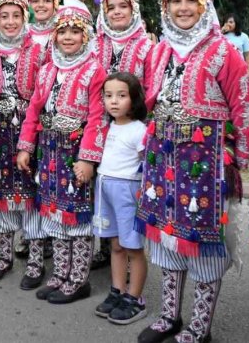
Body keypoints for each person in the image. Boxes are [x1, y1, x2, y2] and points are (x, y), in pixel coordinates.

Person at [136, 0, 249, 343]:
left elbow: (245, 107)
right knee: (165, 238)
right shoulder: (158, 51)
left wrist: (239, 158)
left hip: (205, 161)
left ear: (205, 6)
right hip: (162, 157)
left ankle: (199, 326)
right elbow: (149, 100)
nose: (183, 8)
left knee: (203, 241)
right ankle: (169, 316)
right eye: (176, 1)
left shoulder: (224, 52)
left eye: (192, 1)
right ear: (166, 7)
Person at [17, 6, 108, 304]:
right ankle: (60, 274)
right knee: (53, 211)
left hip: (74, 152)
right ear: (54, 36)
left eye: (75, 31)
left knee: (77, 214)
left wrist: (88, 158)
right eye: (63, 32)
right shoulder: (47, 70)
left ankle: (79, 278)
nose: (68, 37)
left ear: (86, 35)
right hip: (50, 150)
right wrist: (26, 147)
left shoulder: (95, 70)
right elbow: (34, 110)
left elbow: (98, 117)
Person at [0, 0, 45, 288]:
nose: (11, 21)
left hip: (29, 133)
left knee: (30, 196)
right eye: (5, 16)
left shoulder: (40, 52)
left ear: (24, 18)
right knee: (0, 194)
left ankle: (36, 260)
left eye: (16, 15)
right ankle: (4, 255)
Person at [92, 0, 153, 272]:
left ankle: (130, 261)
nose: (116, 12)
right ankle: (107, 250)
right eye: (111, 7)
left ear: (134, 10)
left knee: (127, 190)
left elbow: (151, 88)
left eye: (122, 6)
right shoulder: (96, 42)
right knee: (103, 187)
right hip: (99, 126)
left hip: (132, 126)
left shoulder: (146, 45)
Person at [92, 73, 149, 325]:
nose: (114, 101)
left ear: (134, 98)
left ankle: (135, 298)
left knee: (133, 247)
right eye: (108, 95)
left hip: (127, 190)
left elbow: (147, 164)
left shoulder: (140, 130)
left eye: (121, 95)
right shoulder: (107, 126)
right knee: (115, 244)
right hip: (105, 187)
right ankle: (117, 290)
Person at [25, 0, 60, 64]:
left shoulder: (61, 32)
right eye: (35, 1)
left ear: (55, 5)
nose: (41, 5)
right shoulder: (21, 32)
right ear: (29, 5)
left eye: (47, 1)